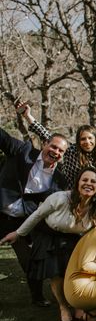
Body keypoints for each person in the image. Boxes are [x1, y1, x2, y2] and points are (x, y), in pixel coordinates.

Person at [1, 167, 96, 321]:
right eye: (84, 180)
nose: (88, 184)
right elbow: (37, 216)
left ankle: (76, 303)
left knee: (74, 271)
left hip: (73, 237)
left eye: (93, 181)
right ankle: (63, 306)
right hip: (48, 234)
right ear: (77, 182)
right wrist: (18, 233)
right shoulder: (59, 198)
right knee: (56, 272)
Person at [0, 124, 68, 306]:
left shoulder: (58, 179)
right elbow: (3, 138)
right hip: (0, 210)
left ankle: (37, 297)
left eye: (61, 151)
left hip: (20, 222)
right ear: (45, 144)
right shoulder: (24, 151)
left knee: (29, 260)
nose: (56, 152)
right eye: (53, 146)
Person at [20, 102, 96, 186]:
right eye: (83, 139)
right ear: (78, 141)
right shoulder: (72, 150)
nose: (87, 142)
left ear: (95, 139)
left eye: (90, 138)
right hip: (66, 192)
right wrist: (28, 116)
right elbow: (45, 134)